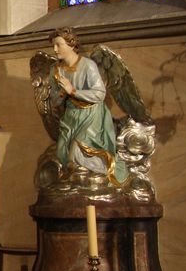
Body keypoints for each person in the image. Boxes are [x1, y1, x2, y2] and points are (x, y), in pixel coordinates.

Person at [49, 28, 128, 185]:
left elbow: (99, 94)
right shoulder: (55, 70)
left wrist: (73, 90)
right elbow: (53, 102)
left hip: (91, 116)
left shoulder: (88, 65)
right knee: (62, 154)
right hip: (71, 117)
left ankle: (102, 174)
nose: (55, 49)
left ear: (71, 45)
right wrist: (62, 94)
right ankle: (82, 180)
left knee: (77, 152)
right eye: (53, 45)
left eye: (58, 44)